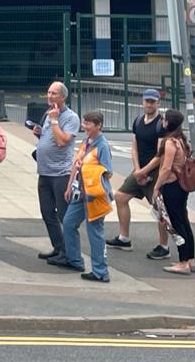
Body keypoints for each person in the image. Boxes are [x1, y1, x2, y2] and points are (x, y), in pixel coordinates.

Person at [46, 111, 113, 281]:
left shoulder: (102, 146)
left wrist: (89, 174)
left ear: (98, 126)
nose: (85, 126)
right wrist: (69, 187)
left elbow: (107, 172)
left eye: (89, 123)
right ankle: (75, 259)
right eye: (84, 122)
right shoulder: (86, 142)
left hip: (94, 196)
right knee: (68, 223)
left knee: (95, 232)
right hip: (80, 193)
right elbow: (76, 167)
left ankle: (101, 271)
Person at [106, 88, 171, 259]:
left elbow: (160, 154)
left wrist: (144, 171)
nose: (149, 104)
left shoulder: (160, 125)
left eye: (152, 101)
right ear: (142, 102)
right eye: (146, 101)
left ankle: (164, 246)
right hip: (139, 170)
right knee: (120, 197)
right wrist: (136, 170)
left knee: (160, 209)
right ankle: (124, 238)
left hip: (154, 172)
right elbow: (134, 146)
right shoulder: (138, 121)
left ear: (158, 103)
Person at [32, 81, 81, 260]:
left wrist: (53, 120)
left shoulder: (70, 117)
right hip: (44, 172)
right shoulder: (48, 114)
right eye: (48, 92)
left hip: (61, 173)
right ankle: (59, 247)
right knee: (47, 212)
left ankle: (70, 253)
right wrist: (40, 133)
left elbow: (62, 141)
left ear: (63, 97)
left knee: (64, 215)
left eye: (54, 93)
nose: (49, 96)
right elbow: (52, 137)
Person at [153, 109, 195, 275]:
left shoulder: (170, 143)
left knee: (177, 224)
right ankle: (190, 259)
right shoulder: (181, 141)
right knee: (183, 221)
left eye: (163, 119)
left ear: (168, 123)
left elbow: (166, 168)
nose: (161, 122)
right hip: (181, 187)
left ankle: (183, 262)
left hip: (172, 186)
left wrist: (156, 187)